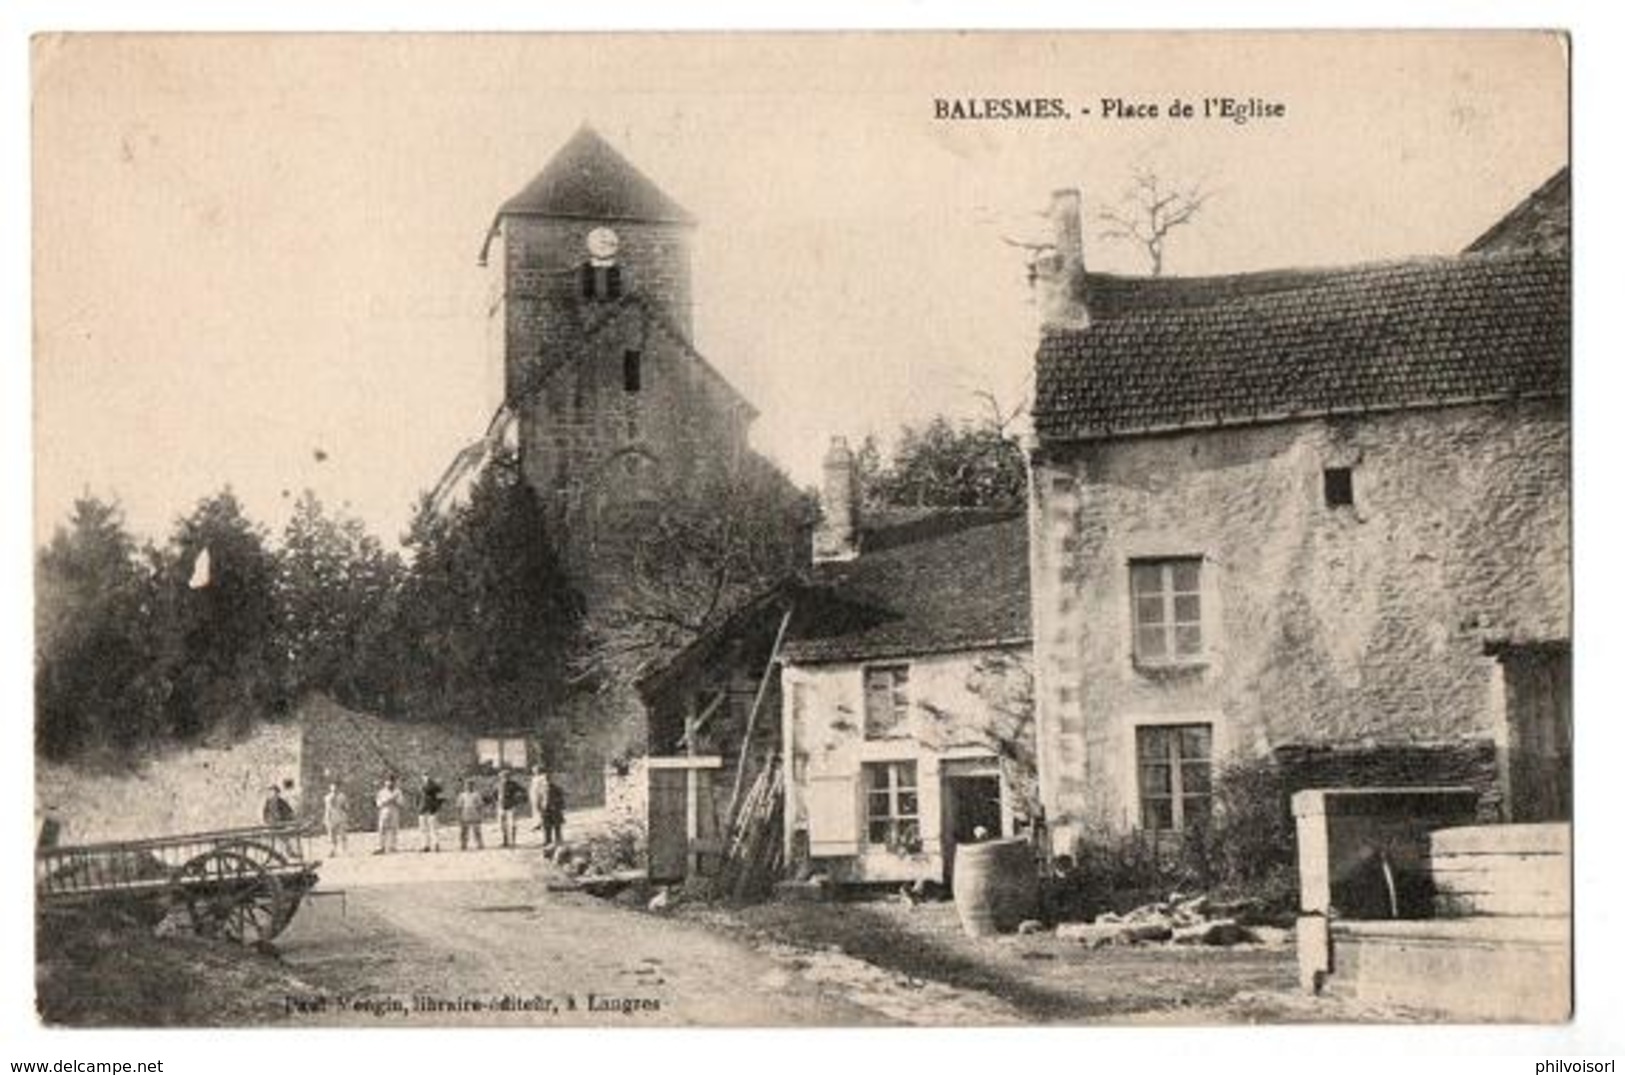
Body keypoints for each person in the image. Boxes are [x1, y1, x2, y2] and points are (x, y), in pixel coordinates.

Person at [374, 775, 402, 854]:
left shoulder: (398, 791)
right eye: (387, 781)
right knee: (382, 829)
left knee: (394, 829)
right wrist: (386, 801)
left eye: (391, 781)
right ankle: (381, 846)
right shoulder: (381, 792)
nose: (389, 783)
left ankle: (393, 846)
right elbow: (378, 803)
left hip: (394, 811)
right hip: (384, 811)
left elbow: (401, 803)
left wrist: (395, 800)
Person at [418, 771, 444, 853]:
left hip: (432, 809)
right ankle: (425, 845)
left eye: (427, 774)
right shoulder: (420, 786)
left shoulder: (434, 785)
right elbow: (417, 798)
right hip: (422, 809)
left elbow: (441, 795)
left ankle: (436, 844)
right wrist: (418, 807)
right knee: (423, 829)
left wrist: (437, 806)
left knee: (433, 828)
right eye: (424, 775)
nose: (426, 776)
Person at [322, 780, 350, 856]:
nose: (334, 789)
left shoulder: (342, 796)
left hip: (340, 817)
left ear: (338, 788)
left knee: (342, 834)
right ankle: (333, 851)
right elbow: (327, 809)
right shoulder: (327, 797)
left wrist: (345, 811)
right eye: (332, 787)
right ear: (330, 788)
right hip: (331, 817)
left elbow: (347, 807)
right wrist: (326, 818)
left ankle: (344, 850)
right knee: (331, 835)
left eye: (335, 787)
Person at [498, 769, 524, 848]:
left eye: (506, 776)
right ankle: (505, 841)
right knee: (502, 825)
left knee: (512, 824)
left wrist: (518, 800)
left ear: (509, 777)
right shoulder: (499, 784)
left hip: (511, 806)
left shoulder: (513, 784)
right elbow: (494, 794)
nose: (505, 778)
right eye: (503, 776)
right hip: (501, 806)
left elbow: (523, 791)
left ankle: (513, 841)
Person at [456, 778, 485, 851]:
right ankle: (463, 844)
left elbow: (480, 806)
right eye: (467, 785)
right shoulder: (462, 795)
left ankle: (479, 844)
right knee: (464, 831)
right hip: (465, 813)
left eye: (470, 785)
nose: (468, 787)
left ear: (473, 786)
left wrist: (480, 816)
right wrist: (459, 816)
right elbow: (459, 806)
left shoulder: (477, 795)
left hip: (474, 813)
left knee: (476, 830)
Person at [542, 775, 566, 848]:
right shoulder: (542, 789)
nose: (547, 782)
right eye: (546, 780)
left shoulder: (556, 788)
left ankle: (558, 840)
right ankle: (547, 840)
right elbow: (540, 799)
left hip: (555, 810)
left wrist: (559, 806)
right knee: (546, 826)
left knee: (557, 825)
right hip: (546, 809)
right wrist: (541, 807)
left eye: (548, 780)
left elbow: (561, 798)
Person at [529, 765, 548, 832]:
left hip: (540, 795)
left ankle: (542, 824)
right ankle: (536, 824)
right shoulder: (534, 778)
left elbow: (545, 787)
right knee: (535, 810)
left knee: (541, 810)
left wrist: (543, 796)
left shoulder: (543, 777)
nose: (534, 771)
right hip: (534, 795)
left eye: (536, 770)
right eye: (533, 770)